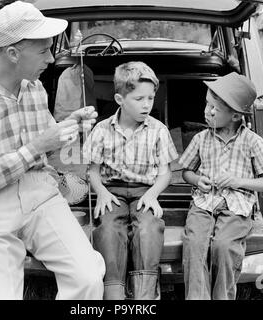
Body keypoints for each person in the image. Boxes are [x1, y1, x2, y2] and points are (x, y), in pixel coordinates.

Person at [0, 1, 105, 300]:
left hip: (40, 193)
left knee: (88, 278)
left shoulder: (35, 88)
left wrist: (69, 125)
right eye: (43, 50)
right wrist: (40, 145)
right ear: (12, 53)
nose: (51, 57)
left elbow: (46, 142)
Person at [83, 61, 179, 300]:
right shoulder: (101, 130)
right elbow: (92, 171)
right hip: (112, 190)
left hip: (144, 190)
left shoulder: (158, 130)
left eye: (150, 98)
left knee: (148, 228)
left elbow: (165, 172)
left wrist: (152, 194)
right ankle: (112, 293)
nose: (147, 104)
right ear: (119, 99)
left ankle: (144, 295)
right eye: (139, 99)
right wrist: (101, 193)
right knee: (107, 230)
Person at [178, 72, 263, 300]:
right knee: (194, 245)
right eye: (206, 105)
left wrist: (238, 181)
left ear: (235, 116)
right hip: (204, 204)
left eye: (214, 109)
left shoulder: (252, 141)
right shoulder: (201, 138)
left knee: (224, 247)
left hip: (237, 207)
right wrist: (196, 180)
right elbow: (186, 172)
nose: (207, 112)